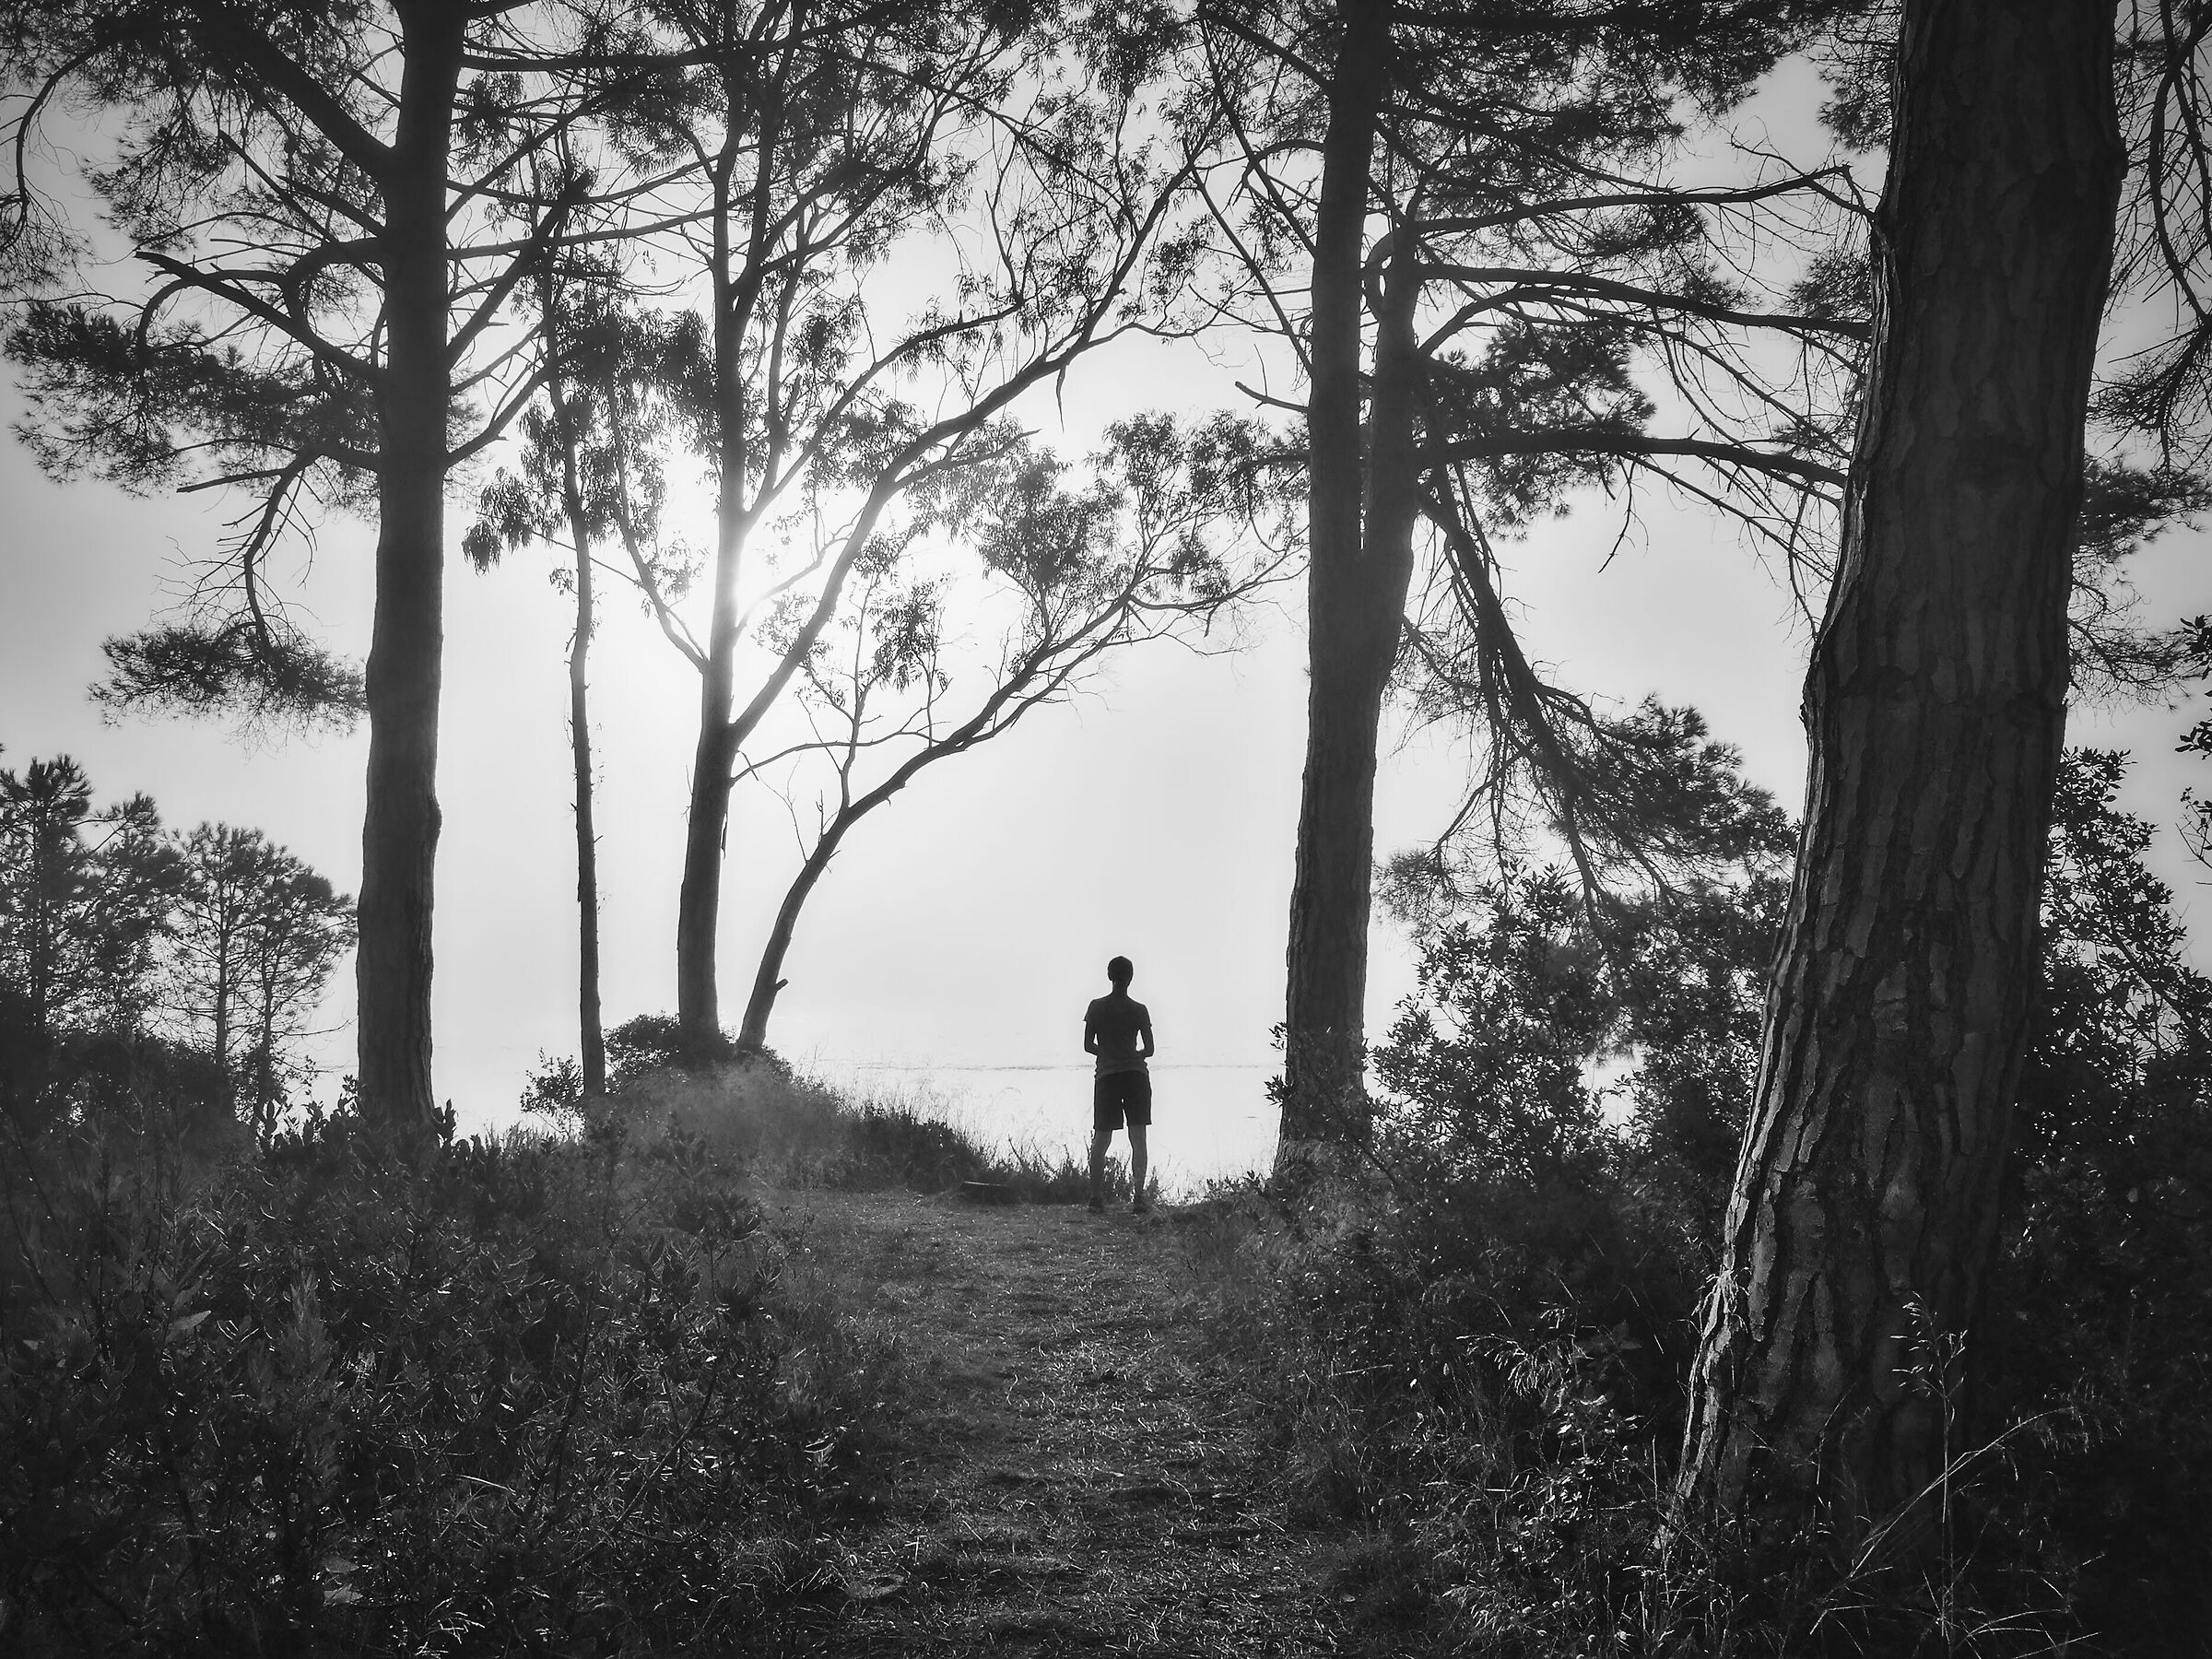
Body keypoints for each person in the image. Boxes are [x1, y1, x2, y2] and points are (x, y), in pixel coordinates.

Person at [1084, 955, 1155, 1214]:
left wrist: (1108, 1053)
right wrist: (1132, 1055)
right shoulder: (1139, 1010)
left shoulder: (1096, 1007)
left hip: (1107, 1076)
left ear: (1109, 976)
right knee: (1138, 1137)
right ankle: (1139, 1197)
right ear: (1131, 978)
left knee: (1102, 1137)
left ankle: (1095, 1198)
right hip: (1135, 1075)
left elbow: (1088, 1045)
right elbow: (1150, 1049)